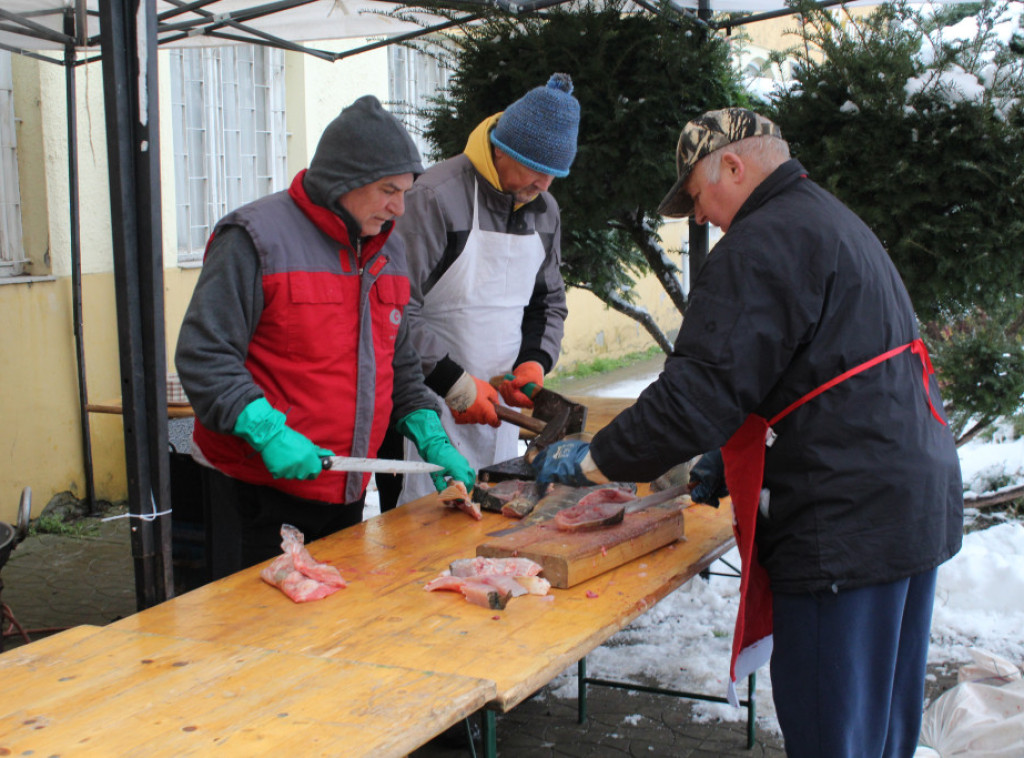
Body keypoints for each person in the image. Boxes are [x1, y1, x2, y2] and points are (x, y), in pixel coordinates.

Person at [531, 108, 963, 758]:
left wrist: (593, 460)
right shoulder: (827, 219)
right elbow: (805, 366)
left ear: (732, 166)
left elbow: (694, 395)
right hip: (907, 501)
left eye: (698, 198)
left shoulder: (761, 241)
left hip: (845, 521)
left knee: (834, 731)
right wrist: (721, 456)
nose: (702, 218)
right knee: (880, 729)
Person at [175, 95, 474, 580]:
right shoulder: (254, 238)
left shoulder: (389, 249)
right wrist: (267, 432)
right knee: (257, 624)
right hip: (254, 490)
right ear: (343, 182)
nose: (399, 207)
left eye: (406, 191)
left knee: (331, 619)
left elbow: (398, 363)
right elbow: (203, 354)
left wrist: (430, 434)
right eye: (388, 190)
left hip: (344, 489)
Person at [376, 73, 578, 509]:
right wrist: (454, 383)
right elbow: (394, 309)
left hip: (501, 413)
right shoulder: (434, 198)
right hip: (423, 404)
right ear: (502, 150)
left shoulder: (545, 211)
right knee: (419, 529)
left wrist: (534, 361)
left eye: (553, 175)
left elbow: (547, 302)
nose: (544, 185)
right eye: (536, 170)